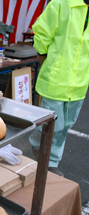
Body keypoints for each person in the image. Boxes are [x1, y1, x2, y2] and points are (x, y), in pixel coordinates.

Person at [28, 0, 89, 177]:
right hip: (55, 80)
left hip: (79, 83)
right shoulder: (62, 3)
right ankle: (43, 158)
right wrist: (47, 62)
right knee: (51, 125)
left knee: (66, 126)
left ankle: (50, 158)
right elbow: (41, 33)